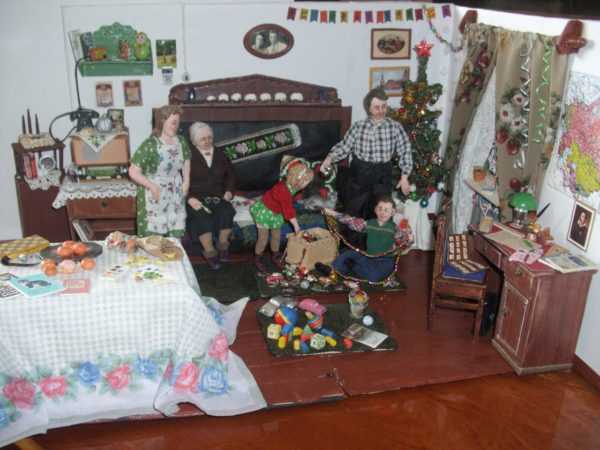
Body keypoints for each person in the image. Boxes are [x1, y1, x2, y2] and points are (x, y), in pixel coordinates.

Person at [320, 87, 413, 244]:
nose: (381, 111)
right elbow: (344, 146)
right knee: (354, 210)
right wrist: (329, 158)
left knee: (381, 211)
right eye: (377, 107)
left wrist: (405, 177)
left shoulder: (394, 127)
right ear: (369, 108)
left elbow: (405, 150)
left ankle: (378, 246)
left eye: (384, 106)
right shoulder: (359, 126)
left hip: (382, 174)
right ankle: (351, 246)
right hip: (359, 173)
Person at [129, 105, 191, 238]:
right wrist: (152, 187)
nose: (176, 126)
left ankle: (175, 249)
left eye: (177, 123)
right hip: (154, 191)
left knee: (175, 226)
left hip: (175, 190)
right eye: (173, 122)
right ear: (162, 122)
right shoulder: (150, 145)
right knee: (154, 232)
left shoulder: (181, 141)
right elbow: (133, 171)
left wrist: (186, 181)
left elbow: (186, 161)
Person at [322, 194, 414, 283]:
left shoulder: (394, 228)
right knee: (347, 254)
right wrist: (333, 213)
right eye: (380, 209)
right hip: (368, 256)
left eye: (386, 210)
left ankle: (353, 266)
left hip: (384, 261)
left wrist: (409, 240)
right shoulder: (369, 224)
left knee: (374, 276)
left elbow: (403, 243)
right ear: (375, 210)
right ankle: (333, 271)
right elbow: (352, 221)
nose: (382, 213)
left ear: (392, 212)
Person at [186, 122, 237, 269]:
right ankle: (209, 252)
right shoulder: (187, 156)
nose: (207, 141)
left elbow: (231, 175)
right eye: (203, 139)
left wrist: (229, 191)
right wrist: (189, 198)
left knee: (227, 211)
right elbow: (180, 180)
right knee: (201, 217)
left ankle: (223, 245)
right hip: (196, 199)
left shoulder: (220, 153)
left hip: (218, 196)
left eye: (210, 137)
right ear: (194, 141)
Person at [250, 157, 314, 273]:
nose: (307, 184)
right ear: (298, 179)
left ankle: (275, 256)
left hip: (277, 213)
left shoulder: (291, 185)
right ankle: (257, 259)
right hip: (265, 212)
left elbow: (286, 205)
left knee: (276, 236)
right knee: (263, 238)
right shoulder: (284, 190)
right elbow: (288, 210)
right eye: (306, 182)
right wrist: (296, 225)